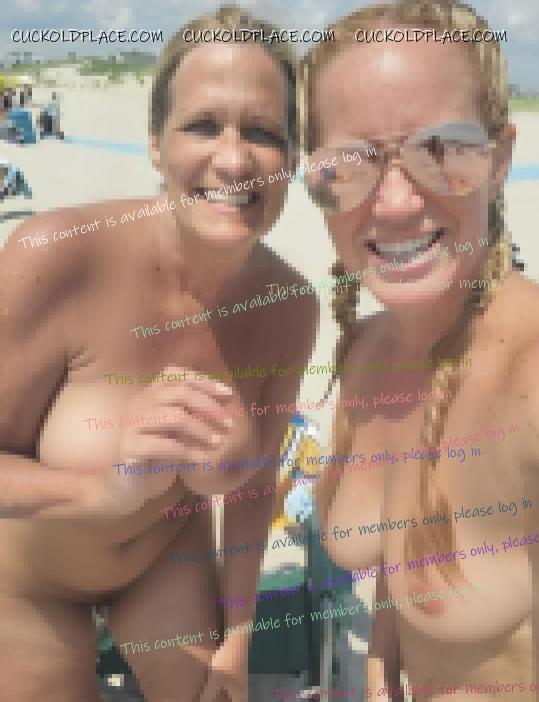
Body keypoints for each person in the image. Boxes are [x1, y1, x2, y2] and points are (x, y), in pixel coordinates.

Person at [0, 6, 316, 702]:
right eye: (203, 125)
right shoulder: (54, 259)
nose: (233, 159)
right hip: (27, 579)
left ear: (291, 160)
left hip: (163, 558)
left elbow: (256, 487)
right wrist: (99, 490)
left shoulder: (288, 306)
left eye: (263, 133)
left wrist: (237, 644)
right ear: (154, 145)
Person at [303, 0, 539, 698]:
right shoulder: (366, 351)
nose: (393, 204)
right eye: (349, 162)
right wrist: (382, 661)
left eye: (441, 150)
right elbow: (404, 549)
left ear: (500, 159)